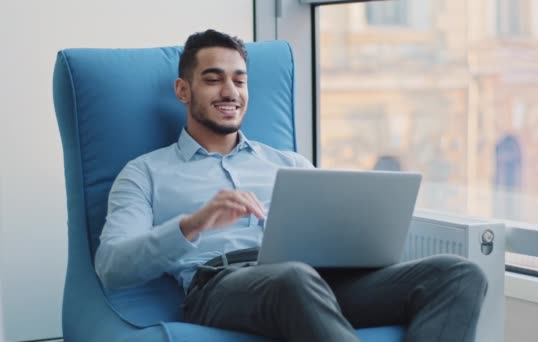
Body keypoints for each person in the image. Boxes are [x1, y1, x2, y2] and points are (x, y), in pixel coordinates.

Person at [95, 29, 488, 342]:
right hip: (220, 288)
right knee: (293, 277)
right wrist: (194, 224)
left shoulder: (289, 164)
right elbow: (112, 266)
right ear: (183, 90)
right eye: (213, 80)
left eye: (239, 80)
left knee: (459, 274)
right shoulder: (144, 172)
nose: (230, 92)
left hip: (316, 283)